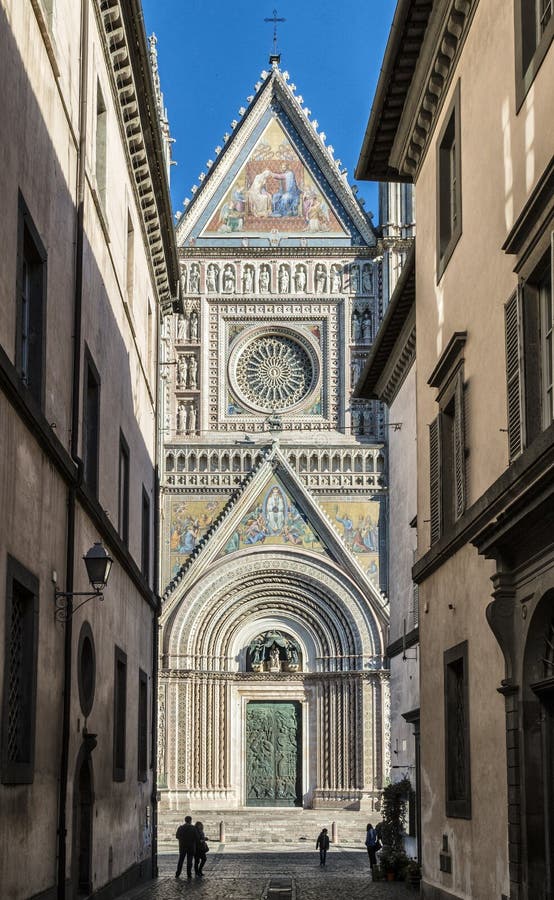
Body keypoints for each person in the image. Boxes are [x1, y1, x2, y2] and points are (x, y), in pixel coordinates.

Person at [175, 815, 197, 879]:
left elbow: (177, 836)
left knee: (181, 860)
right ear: (190, 820)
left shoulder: (180, 828)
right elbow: (196, 837)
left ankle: (178, 873)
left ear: (185, 820)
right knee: (189, 861)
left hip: (182, 846)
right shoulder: (193, 828)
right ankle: (189, 874)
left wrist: (182, 839)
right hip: (191, 847)